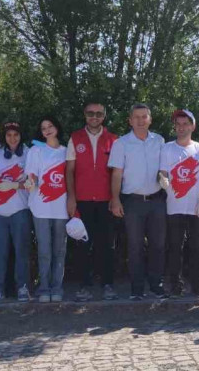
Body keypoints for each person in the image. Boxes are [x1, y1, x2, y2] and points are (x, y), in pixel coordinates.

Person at [108, 104, 168, 300]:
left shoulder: (159, 140)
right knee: (134, 246)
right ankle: (137, 288)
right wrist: (115, 199)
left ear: (150, 119)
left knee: (158, 245)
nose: (141, 121)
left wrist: (164, 178)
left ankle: (156, 285)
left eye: (144, 117)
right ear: (130, 121)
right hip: (133, 202)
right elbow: (116, 174)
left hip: (157, 200)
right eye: (137, 117)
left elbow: (164, 169)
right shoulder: (121, 143)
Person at [66, 101, 119, 301]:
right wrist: (71, 198)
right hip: (82, 200)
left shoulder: (113, 139)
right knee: (82, 245)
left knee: (107, 245)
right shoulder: (75, 138)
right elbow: (69, 171)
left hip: (106, 200)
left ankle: (108, 284)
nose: (94, 117)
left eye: (98, 114)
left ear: (104, 116)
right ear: (85, 115)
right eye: (90, 113)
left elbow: (117, 172)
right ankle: (84, 286)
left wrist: (115, 199)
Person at [159, 109, 199, 298]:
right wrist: (162, 180)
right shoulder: (167, 148)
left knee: (196, 246)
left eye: (185, 123)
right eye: (178, 124)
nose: (181, 127)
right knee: (174, 246)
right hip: (174, 205)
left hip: (197, 206)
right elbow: (163, 172)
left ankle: (196, 284)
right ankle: (175, 285)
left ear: (192, 126)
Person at [0, 121, 32, 303]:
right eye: (9, 135)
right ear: (4, 137)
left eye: (16, 135)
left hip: (20, 208)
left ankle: (23, 287)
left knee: (21, 250)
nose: (12, 138)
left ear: (21, 136)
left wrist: (16, 184)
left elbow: (32, 183)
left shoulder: (29, 153)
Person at [27, 116, 69, 303]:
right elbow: (32, 175)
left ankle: (57, 288)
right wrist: (31, 181)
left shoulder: (67, 152)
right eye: (43, 128)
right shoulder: (36, 151)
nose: (47, 130)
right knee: (44, 250)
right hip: (40, 208)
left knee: (59, 250)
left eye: (50, 126)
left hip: (61, 209)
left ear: (57, 128)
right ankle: (43, 288)